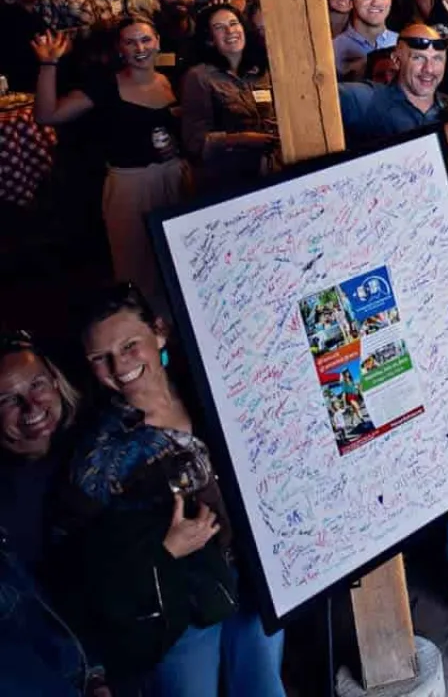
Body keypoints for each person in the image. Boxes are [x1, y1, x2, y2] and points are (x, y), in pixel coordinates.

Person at [67, 283, 285, 696]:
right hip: (181, 606)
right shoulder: (99, 453)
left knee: (262, 687)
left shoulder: (210, 388)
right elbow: (84, 565)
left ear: (159, 332)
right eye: (100, 358)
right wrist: (164, 550)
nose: (119, 365)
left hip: (255, 579)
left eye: (129, 345)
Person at [33, 20, 186, 305]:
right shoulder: (105, 85)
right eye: (130, 42)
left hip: (175, 179)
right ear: (120, 49)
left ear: (158, 42)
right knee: (136, 268)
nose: (140, 48)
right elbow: (47, 115)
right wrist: (49, 64)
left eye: (145, 40)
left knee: (180, 264)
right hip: (129, 186)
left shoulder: (173, 81)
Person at [0, 333, 91, 695]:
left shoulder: (97, 444)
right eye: (8, 400)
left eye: (37, 384)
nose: (31, 405)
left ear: (55, 381)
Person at [180, 3, 276, 193]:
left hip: (269, 170)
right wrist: (241, 139)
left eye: (233, 23)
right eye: (219, 27)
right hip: (227, 178)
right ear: (209, 39)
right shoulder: (199, 77)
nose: (230, 31)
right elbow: (194, 141)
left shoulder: (262, 69)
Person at [336, 22, 448, 148]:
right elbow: (321, 94)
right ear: (396, 60)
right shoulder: (366, 99)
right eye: (418, 58)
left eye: (437, 59)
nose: (429, 69)